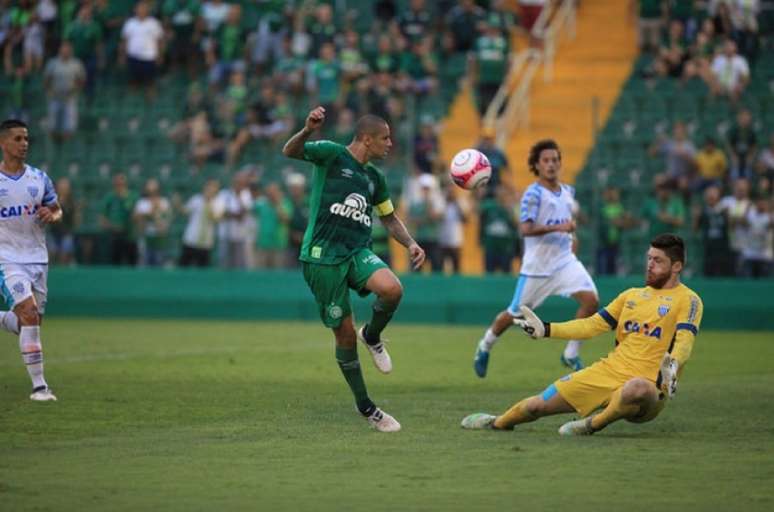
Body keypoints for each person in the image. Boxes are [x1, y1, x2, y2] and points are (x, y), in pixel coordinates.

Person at [462, 234, 704, 436]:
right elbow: (590, 326)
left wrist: (672, 365)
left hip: (651, 388)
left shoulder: (688, 300)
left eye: (658, 261)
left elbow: (684, 341)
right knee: (537, 405)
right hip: (607, 373)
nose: (650, 265)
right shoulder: (631, 296)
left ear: (677, 266)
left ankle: (591, 425)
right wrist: (546, 329)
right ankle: (496, 422)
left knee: (637, 388)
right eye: (649, 259)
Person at [282, 106, 426, 433]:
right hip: (322, 257)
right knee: (343, 333)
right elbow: (289, 151)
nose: (390, 144)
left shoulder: (375, 178)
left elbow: (388, 217)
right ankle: (366, 407)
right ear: (365, 139)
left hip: (357, 251)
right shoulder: (332, 154)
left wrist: (411, 243)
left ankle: (372, 335)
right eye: (384, 138)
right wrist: (307, 130)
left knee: (392, 289)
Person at [473, 139, 599, 378]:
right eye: (546, 161)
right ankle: (485, 345)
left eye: (555, 160)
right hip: (537, 269)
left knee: (591, 301)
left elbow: (569, 225)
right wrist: (561, 227)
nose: (551, 165)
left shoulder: (568, 192)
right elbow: (525, 229)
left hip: (564, 262)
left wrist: (572, 239)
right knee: (512, 315)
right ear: (537, 165)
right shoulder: (533, 194)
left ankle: (570, 354)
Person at [0, 119, 61, 401]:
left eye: (26, 139)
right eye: (17, 139)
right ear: (3, 143)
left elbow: (57, 209)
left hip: (38, 258)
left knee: (31, 322)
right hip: (7, 259)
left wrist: (53, 215)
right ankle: (40, 387)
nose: (24, 144)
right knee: (28, 313)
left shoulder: (39, 178)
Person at [179, 179, 222, 267]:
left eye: (213, 187)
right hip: (191, 239)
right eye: (208, 187)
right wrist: (178, 204)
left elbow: (215, 218)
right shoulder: (196, 199)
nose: (210, 189)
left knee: (202, 271)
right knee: (183, 267)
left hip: (205, 243)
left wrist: (209, 202)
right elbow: (185, 211)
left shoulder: (218, 203)